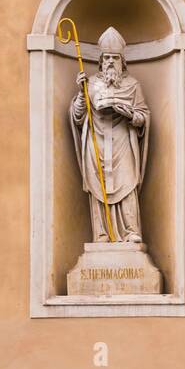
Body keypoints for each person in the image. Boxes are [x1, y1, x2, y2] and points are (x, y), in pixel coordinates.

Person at [69, 26, 150, 243]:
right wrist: (80, 93)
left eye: (115, 57)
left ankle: (130, 230)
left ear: (122, 62)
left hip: (123, 140)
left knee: (126, 181)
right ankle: (102, 233)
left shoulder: (132, 85)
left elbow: (143, 115)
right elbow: (78, 115)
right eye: (107, 58)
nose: (111, 62)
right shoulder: (91, 84)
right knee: (99, 186)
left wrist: (131, 114)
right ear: (101, 61)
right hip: (96, 141)